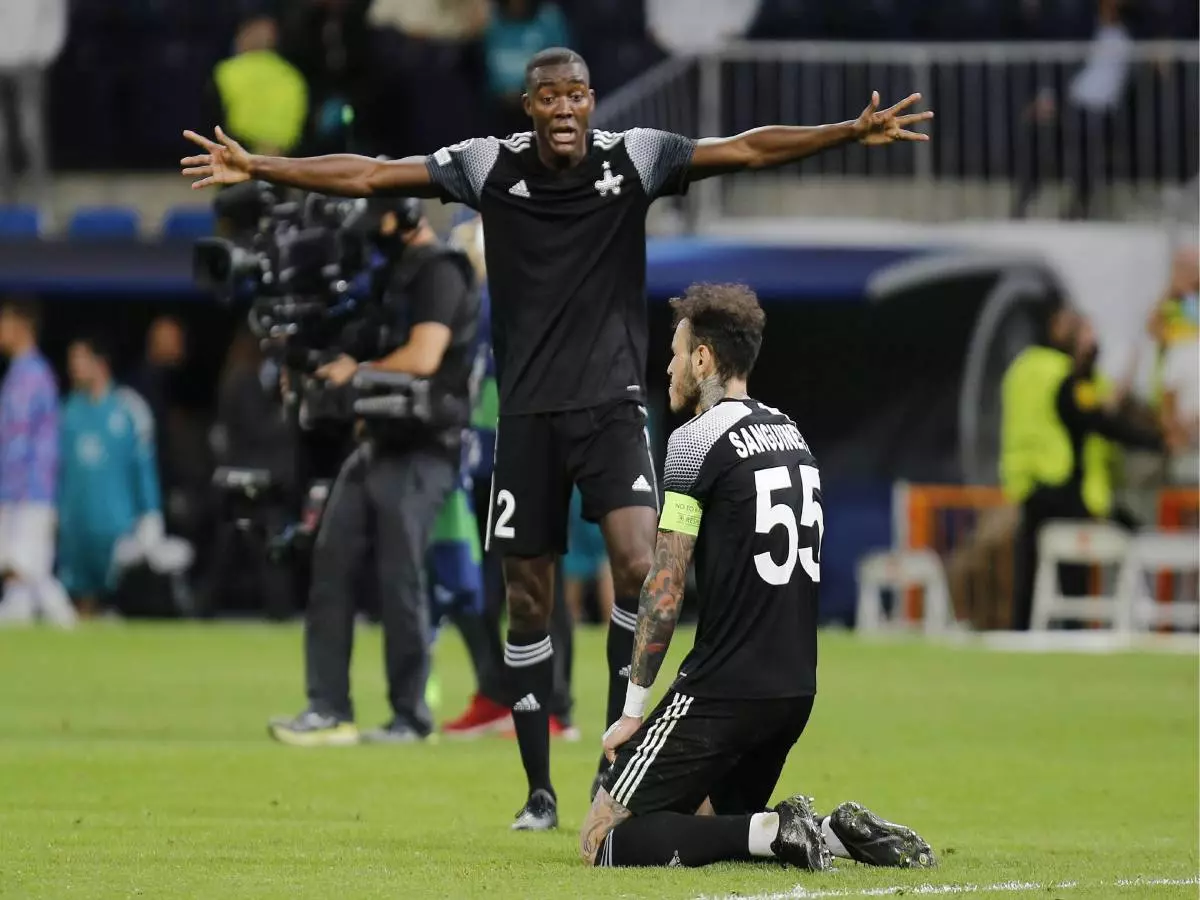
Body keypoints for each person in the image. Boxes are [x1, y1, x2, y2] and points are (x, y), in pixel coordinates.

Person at [180, 46, 933, 829]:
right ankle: (538, 790)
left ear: (591, 100)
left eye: (578, 94)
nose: (566, 109)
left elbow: (742, 149)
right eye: (550, 98)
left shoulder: (633, 156)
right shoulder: (486, 166)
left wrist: (848, 130)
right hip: (529, 416)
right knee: (527, 599)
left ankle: (612, 764)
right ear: (530, 107)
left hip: (610, 409)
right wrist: (260, 166)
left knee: (641, 567)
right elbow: (372, 174)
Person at [580, 283, 935, 870]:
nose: (668, 368)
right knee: (705, 823)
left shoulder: (693, 441)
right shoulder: (795, 437)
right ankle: (829, 832)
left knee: (602, 839)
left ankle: (775, 833)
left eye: (675, 354)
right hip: (795, 688)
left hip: (723, 688)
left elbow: (665, 584)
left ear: (703, 359)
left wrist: (632, 710)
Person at [268, 199, 479, 746]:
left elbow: (424, 356)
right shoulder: (390, 278)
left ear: (404, 217)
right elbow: (353, 341)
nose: (371, 238)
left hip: (424, 449)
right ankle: (328, 707)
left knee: (400, 579)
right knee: (330, 564)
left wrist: (353, 372)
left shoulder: (440, 271)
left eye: (377, 225)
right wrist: (310, 360)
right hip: (377, 446)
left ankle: (410, 717)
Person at [1001, 305, 1172, 631]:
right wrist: (1154, 442)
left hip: (1027, 483)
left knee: (1030, 571)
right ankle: (1075, 631)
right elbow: (1097, 421)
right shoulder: (1065, 377)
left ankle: (1021, 632)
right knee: (1072, 572)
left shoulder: (1024, 368)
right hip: (1062, 483)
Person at [57, 335, 165, 615]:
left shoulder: (130, 409)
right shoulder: (67, 412)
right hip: (76, 529)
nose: (74, 368)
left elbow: (144, 466)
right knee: (81, 604)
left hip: (117, 528)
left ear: (100, 363)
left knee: (118, 606)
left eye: (79, 360)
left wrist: (150, 513)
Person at [0, 297, 74, 627]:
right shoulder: (16, 374)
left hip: (30, 490)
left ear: (21, 326)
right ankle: (26, 616)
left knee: (27, 567)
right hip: (14, 490)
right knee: (22, 571)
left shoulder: (34, 375)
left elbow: (27, 442)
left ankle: (66, 622)